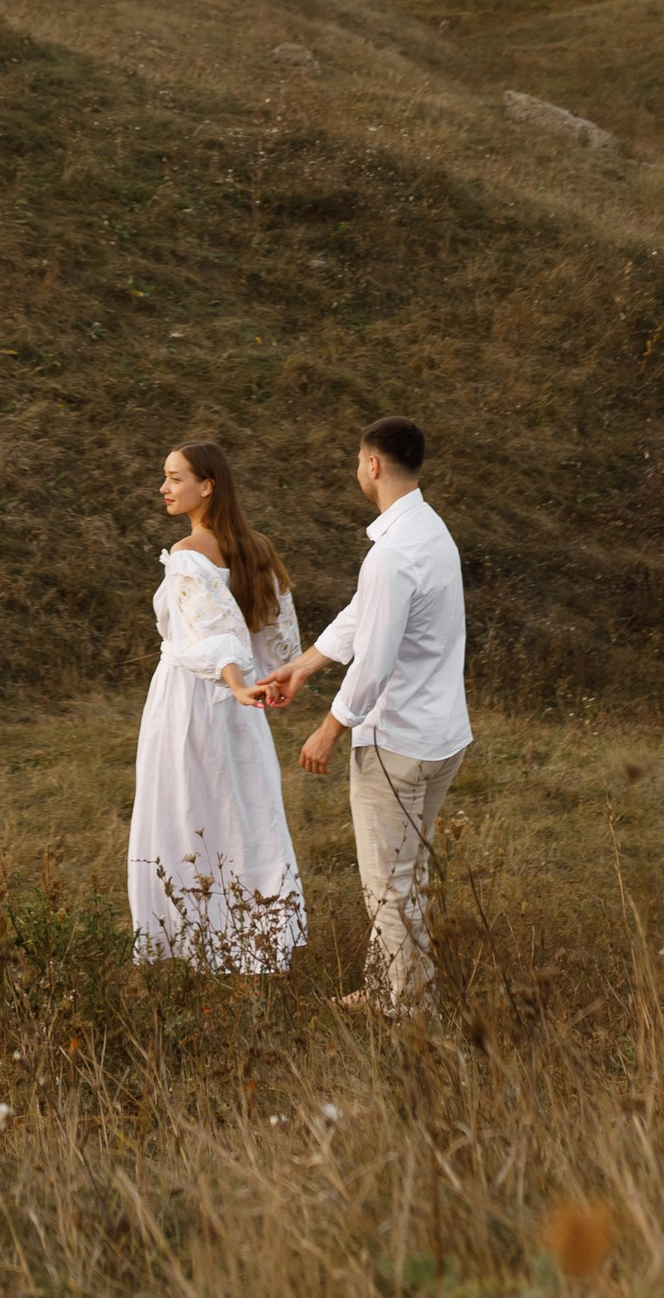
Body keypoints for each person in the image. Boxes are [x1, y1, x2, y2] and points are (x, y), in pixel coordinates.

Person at [259, 414, 469, 1017]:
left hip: (397, 742)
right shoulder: (429, 531)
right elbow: (364, 613)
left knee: (388, 883)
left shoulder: (391, 554)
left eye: (358, 460)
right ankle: (401, 987)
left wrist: (328, 728)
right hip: (441, 736)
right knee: (409, 872)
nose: (357, 469)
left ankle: (401, 1003)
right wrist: (304, 665)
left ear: (373, 464)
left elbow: (374, 662)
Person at [127, 439, 306, 970]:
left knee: (184, 813)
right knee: (243, 815)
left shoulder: (187, 555)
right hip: (243, 705)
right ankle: (256, 937)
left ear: (207, 486)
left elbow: (212, 630)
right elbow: (276, 635)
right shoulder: (258, 547)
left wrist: (232, 679)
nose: (164, 487)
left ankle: (183, 947)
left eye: (174, 477)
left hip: (194, 700)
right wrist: (267, 682)